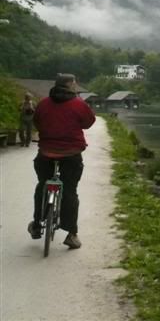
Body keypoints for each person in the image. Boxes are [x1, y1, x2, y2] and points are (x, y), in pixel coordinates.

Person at [27, 74, 95, 249]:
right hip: (71, 154)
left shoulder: (43, 103)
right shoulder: (79, 104)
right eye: (74, 83)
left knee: (42, 184)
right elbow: (88, 123)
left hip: (47, 152)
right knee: (70, 191)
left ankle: (36, 224)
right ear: (71, 85)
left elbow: (37, 122)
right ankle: (71, 234)